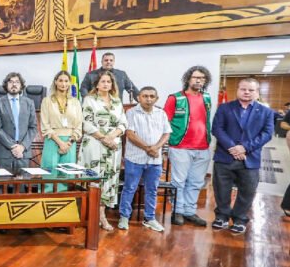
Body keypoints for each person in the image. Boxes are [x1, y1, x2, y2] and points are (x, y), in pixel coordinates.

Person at [211, 78, 275, 234]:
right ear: (238, 90)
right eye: (243, 89)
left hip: (250, 158)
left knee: (247, 191)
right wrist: (233, 148)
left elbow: (267, 134)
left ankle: (240, 219)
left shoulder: (266, 112)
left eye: (251, 90)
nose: (247, 92)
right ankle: (222, 217)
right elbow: (217, 129)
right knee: (221, 189)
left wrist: (244, 148)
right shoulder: (224, 108)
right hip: (225, 157)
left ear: (257, 93)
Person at [117, 86, 171, 232]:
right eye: (145, 96)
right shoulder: (132, 112)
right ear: (139, 98)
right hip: (135, 159)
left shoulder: (161, 113)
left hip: (155, 161)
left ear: (156, 98)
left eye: (151, 96)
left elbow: (166, 133)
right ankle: (124, 217)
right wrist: (148, 148)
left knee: (152, 190)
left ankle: (149, 218)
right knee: (129, 188)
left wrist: (156, 147)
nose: (148, 99)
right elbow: (130, 134)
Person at [164, 65, 213, 227]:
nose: (199, 80)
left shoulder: (206, 98)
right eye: (195, 77)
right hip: (180, 147)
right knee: (179, 182)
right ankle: (177, 211)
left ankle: (189, 212)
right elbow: (164, 123)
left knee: (196, 182)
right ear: (188, 79)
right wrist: (165, 146)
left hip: (203, 148)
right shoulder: (175, 98)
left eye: (202, 78)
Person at [79, 70, 127, 231]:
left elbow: (123, 124)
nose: (106, 84)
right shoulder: (89, 100)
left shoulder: (117, 102)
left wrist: (112, 137)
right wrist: (104, 138)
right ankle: (88, 215)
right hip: (94, 145)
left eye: (109, 81)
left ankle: (102, 215)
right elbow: (87, 124)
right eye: (103, 81)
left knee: (108, 180)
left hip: (112, 146)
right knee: (93, 179)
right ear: (97, 84)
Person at [39, 70, 83, 192]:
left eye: (66, 81)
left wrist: (68, 143)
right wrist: (60, 143)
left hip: (70, 142)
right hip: (52, 140)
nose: (63, 84)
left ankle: (64, 203)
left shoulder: (75, 102)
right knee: (50, 172)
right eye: (61, 80)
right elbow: (45, 125)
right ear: (55, 82)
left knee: (66, 174)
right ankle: (46, 200)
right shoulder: (47, 101)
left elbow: (79, 126)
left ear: (69, 83)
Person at [0, 72, 38, 175]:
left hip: (23, 153)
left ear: (21, 85)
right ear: (6, 85)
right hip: (4, 152)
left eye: (17, 82)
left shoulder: (29, 103)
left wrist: (22, 147)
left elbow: (33, 127)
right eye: (11, 82)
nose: (14, 84)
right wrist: (13, 146)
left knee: (21, 188)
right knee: (2, 186)